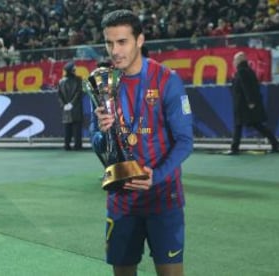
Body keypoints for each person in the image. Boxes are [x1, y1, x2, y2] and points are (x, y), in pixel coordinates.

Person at [89, 9, 193, 276]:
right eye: (109, 43)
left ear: (140, 40)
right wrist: (102, 133)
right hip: (121, 200)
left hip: (162, 198)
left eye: (122, 42)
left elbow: (185, 141)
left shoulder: (166, 80)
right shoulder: (103, 82)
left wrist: (155, 176)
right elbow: (97, 142)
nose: (115, 50)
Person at [227, 51, 279, 155]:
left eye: (235, 60)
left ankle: (234, 148)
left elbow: (247, 88)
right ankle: (275, 143)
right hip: (246, 105)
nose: (233, 62)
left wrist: (250, 101)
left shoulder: (242, 71)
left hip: (244, 105)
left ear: (239, 60)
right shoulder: (248, 70)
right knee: (256, 125)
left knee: (239, 125)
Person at [58, 61, 83, 151]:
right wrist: (71, 104)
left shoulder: (61, 81)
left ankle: (67, 145)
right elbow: (79, 93)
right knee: (76, 128)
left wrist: (64, 105)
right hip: (75, 107)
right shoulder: (78, 79)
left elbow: (59, 95)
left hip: (66, 108)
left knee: (67, 127)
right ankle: (77, 146)